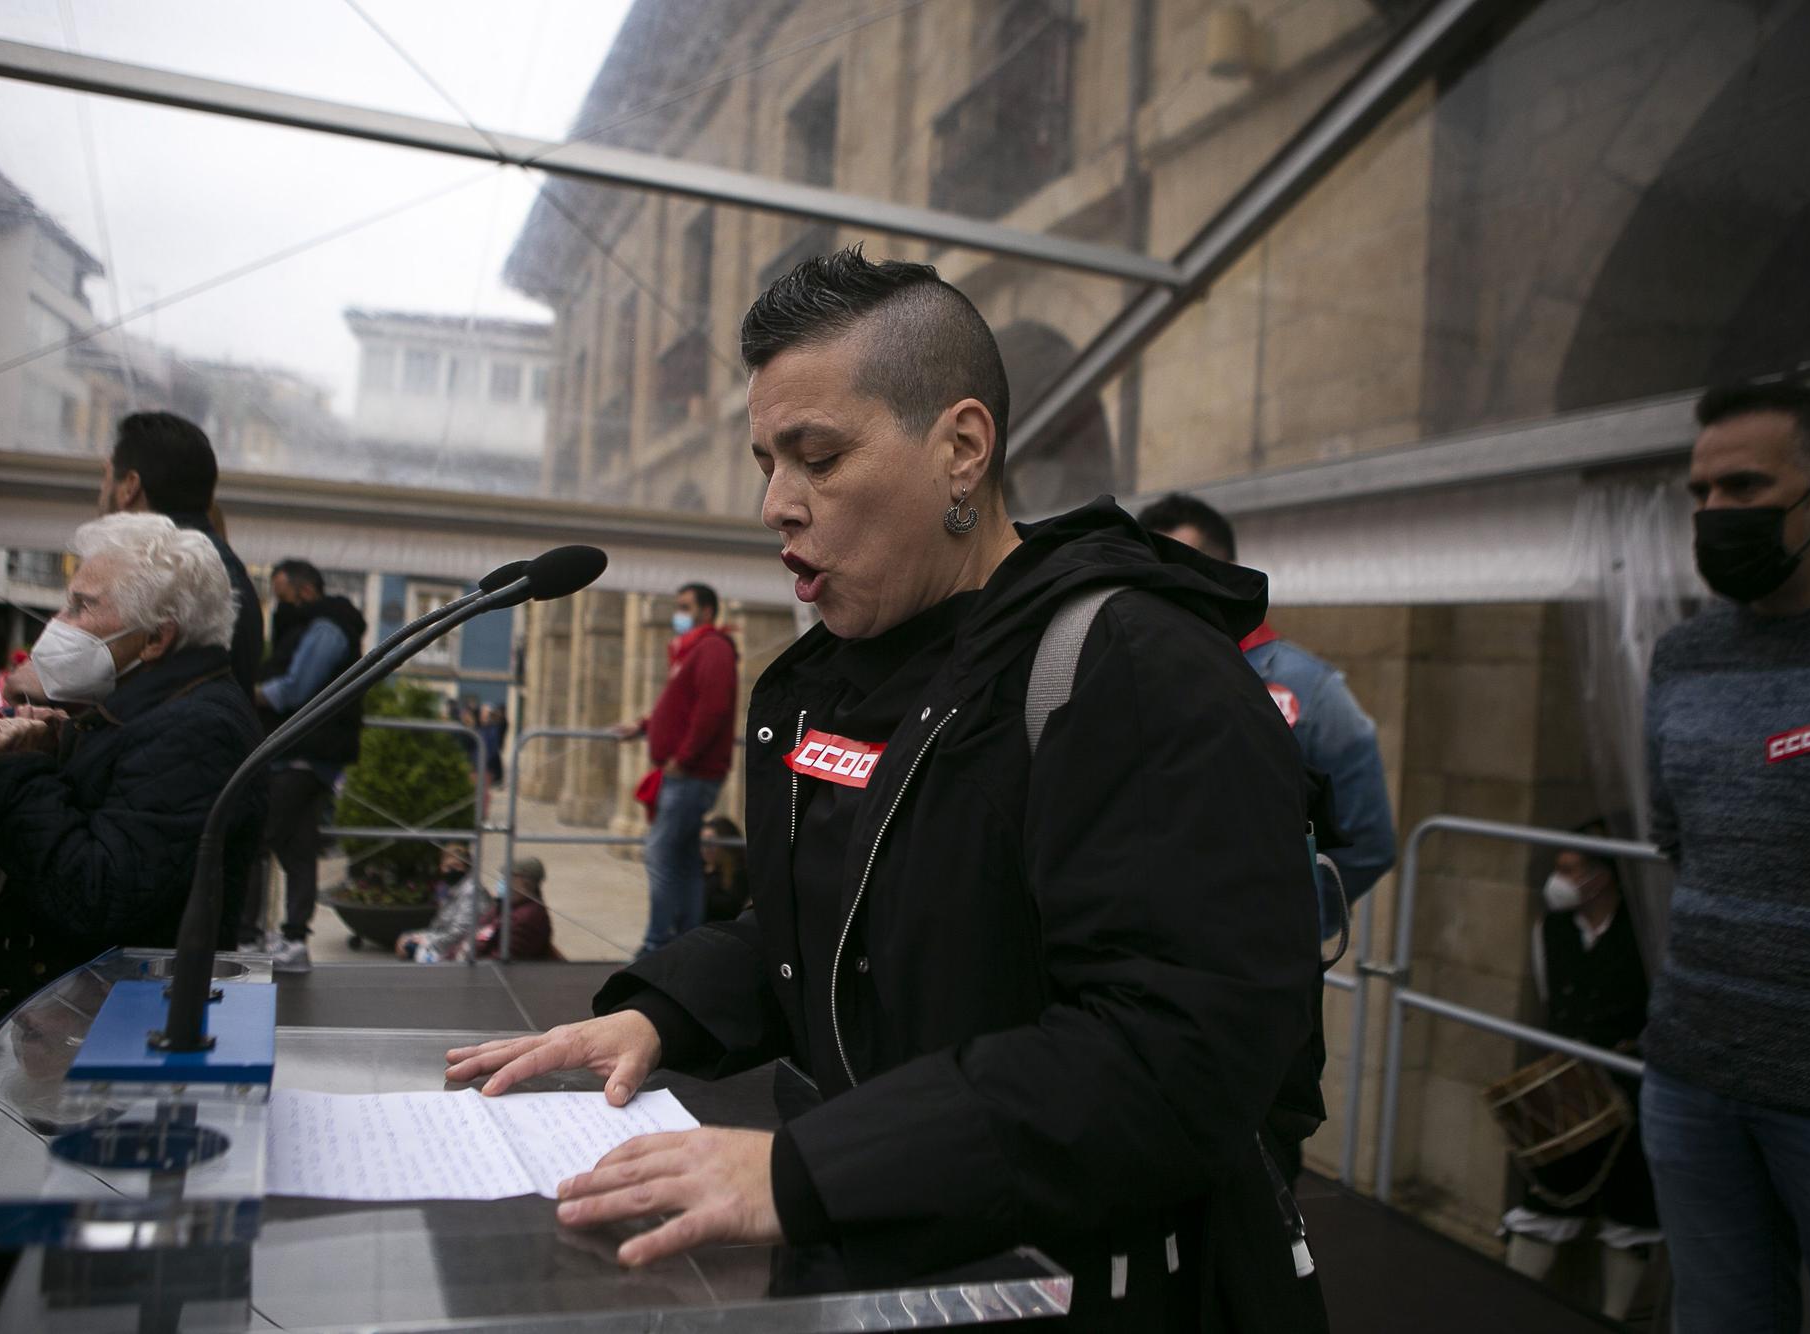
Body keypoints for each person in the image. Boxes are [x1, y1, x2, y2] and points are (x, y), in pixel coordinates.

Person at [447, 248, 1326, 1330]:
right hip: (886, 1258)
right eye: (766, 459)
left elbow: (1173, 1050)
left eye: (816, 457)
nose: (776, 503)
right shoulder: (838, 678)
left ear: (960, 447)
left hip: (1086, 1283)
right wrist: (661, 1011)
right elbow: (829, 927)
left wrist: (806, 1171)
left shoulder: (1134, 670)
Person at [1640, 381, 1810, 1334]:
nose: (1713, 515)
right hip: (1694, 1081)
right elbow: (1679, 835)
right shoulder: (1684, 657)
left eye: (1742, 487)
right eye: (1700, 495)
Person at [0, 513, 265, 1070]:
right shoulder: (156, 709)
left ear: (155, 638)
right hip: (86, 1024)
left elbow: (95, 893)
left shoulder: (194, 729)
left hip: (105, 1045)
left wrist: (23, 773)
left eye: (82, 606)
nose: (60, 621)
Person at [1139, 492, 1396, 913]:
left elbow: (1368, 841)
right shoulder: (1137, 676)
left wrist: (1286, 925)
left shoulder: (1312, 692)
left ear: (1226, 572)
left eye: (1181, 569)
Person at [1499, 827, 1658, 1321]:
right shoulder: (1551, 930)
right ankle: (1512, 1307)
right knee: (1546, 1192)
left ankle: (1614, 1317)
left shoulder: (1646, 933)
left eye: (1570, 870)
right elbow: (1552, 999)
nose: (1558, 880)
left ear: (1602, 877)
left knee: (1631, 1206)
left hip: (1631, 1084)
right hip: (1567, 1079)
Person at [5, 412, 263, 701]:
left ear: (129, 486)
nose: (61, 619)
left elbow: (168, 704)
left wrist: (56, 693)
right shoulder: (215, 569)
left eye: (105, 476)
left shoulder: (198, 580)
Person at [237, 558, 366, 971]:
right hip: (305, 755)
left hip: (304, 755)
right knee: (296, 847)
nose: (280, 606)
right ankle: (292, 940)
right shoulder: (320, 624)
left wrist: (246, 694)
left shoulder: (326, 628)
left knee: (256, 837)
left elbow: (295, 688)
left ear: (306, 590)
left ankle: (248, 937)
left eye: (282, 596)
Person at [613, 581, 739, 956]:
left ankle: (658, 943)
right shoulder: (693, 650)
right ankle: (685, 941)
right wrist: (646, 725)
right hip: (686, 773)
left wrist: (683, 759)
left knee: (660, 854)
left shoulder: (712, 649)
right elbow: (681, 707)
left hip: (691, 775)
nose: (677, 614)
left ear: (705, 610)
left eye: (684, 606)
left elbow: (711, 709)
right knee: (683, 859)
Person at [397, 844, 486, 964]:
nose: (452, 871)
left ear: (466, 867)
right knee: (405, 940)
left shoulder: (471, 891)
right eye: (447, 867)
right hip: (445, 943)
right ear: (441, 867)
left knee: (410, 947)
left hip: (463, 950)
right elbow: (438, 928)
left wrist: (426, 940)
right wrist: (413, 935)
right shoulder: (451, 889)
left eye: (456, 866)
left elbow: (460, 932)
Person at [471, 856, 562, 962]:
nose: (502, 881)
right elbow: (477, 933)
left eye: (509, 877)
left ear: (525, 882)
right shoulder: (505, 907)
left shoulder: (529, 918)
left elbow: (501, 962)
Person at [700, 814, 749, 923]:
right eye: (703, 843)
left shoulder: (738, 874)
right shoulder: (699, 870)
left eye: (711, 842)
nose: (706, 849)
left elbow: (729, 908)